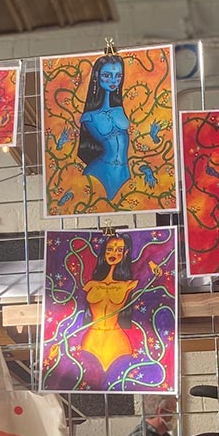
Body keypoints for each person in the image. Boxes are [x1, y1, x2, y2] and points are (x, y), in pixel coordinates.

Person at [79, 54, 133, 200]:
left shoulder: (120, 110)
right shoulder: (89, 116)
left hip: (124, 171)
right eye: (107, 75)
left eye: (118, 75)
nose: (113, 80)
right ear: (97, 75)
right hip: (100, 171)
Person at [82, 234, 137, 370]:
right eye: (110, 249)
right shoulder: (91, 284)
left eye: (119, 250)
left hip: (118, 343)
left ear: (125, 253)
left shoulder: (128, 284)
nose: (113, 254)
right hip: (91, 341)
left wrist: (153, 265)